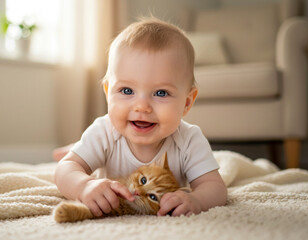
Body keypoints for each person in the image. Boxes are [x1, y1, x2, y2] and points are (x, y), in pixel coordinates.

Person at [54, 18, 227, 217]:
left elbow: (214, 186)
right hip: (99, 147)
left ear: (187, 103)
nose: (142, 107)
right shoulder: (104, 130)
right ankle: (77, 148)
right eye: (127, 90)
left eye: (161, 93)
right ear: (108, 92)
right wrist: (84, 186)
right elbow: (65, 169)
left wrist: (197, 200)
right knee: (75, 156)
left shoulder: (189, 139)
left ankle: (79, 147)